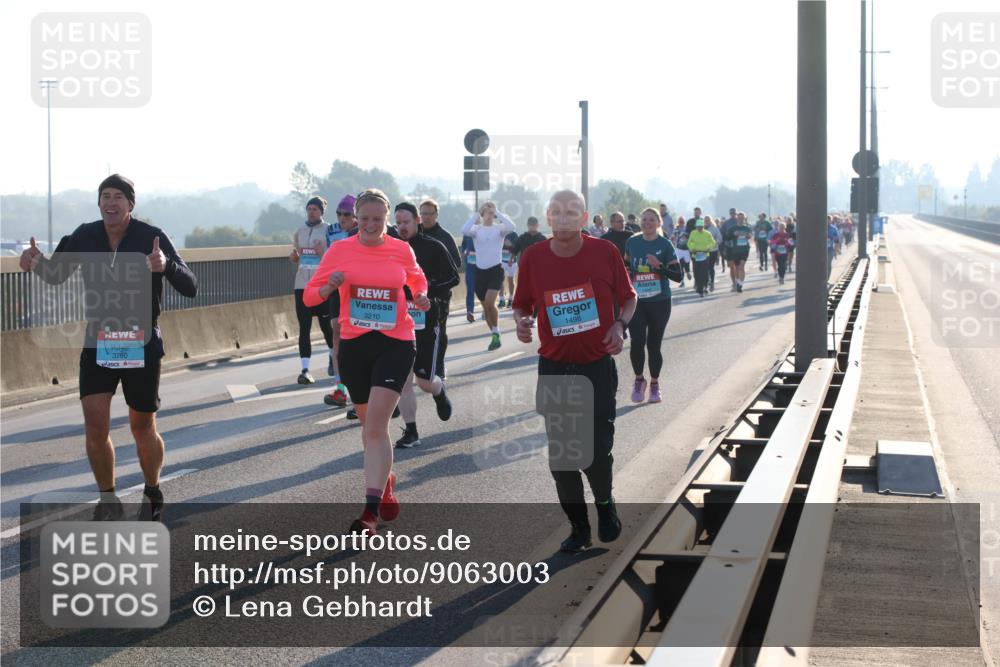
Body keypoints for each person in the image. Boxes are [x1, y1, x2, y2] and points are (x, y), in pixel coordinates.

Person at [19, 174, 198, 521]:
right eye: (105, 196)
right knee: (95, 426)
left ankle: (152, 489)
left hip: (141, 344)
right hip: (99, 342)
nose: (110, 203)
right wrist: (35, 262)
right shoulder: (84, 235)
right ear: (99, 203)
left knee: (142, 426)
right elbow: (56, 274)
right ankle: (107, 499)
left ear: (130, 204)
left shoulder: (151, 237)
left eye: (118, 196)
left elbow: (190, 286)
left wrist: (166, 266)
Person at [513, 189, 636, 553]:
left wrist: (619, 326)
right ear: (548, 217)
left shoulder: (605, 252)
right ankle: (579, 528)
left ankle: (605, 505)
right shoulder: (533, 257)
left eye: (571, 212)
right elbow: (521, 304)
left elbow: (629, 297)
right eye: (556, 211)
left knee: (595, 452)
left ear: (583, 218)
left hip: (596, 366)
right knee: (563, 458)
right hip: (555, 368)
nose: (563, 217)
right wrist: (522, 322)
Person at [303, 189, 430, 535]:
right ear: (355, 219)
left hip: (396, 342)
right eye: (364, 219)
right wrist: (329, 287)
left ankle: (369, 513)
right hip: (355, 346)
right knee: (369, 428)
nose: (371, 225)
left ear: (387, 219)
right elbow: (311, 296)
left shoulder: (400, 249)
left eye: (378, 219)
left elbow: (417, 279)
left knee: (375, 426)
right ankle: (384, 483)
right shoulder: (339, 251)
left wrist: (420, 296)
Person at [392, 202, 459, 448]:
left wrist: (429, 292)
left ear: (417, 221)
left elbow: (454, 277)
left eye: (406, 222)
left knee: (424, 382)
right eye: (398, 223)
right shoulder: (390, 248)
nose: (402, 227)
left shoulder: (434, 246)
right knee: (403, 380)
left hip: (427, 320)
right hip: (398, 322)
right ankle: (411, 431)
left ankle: (439, 392)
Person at [624, 208, 679, 404]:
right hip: (637, 302)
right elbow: (626, 266)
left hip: (660, 301)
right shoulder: (632, 242)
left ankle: (655, 384)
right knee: (637, 341)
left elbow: (678, 276)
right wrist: (628, 273)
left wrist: (659, 267)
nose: (647, 223)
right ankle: (639, 380)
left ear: (658, 223)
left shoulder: (665, 244)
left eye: (651, 220)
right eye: (644, 219)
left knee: (654, 345)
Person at [290, 196, 335, 384]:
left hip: (322, 286)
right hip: (302, 285)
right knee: (304, 328)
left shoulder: (329, 230)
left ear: (321, 212)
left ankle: (333, 357)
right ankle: (305, 370)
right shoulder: (299, 231)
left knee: (327, 327)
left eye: (315, 209)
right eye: (309, 209)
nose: (311, 212)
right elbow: (297, 256)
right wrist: (294, 257)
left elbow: (334, 259)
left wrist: (321, 253)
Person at [461, 201, 515, 351]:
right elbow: (464, 229)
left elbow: (512, 226)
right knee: (486, 307)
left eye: (492, 213)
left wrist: (497, 212)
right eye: (487, 212)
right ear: (482, 214)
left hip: (495, 270)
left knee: (491, 303)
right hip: (480, 271)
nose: (489, 215)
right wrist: (477, 213)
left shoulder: (499, 229)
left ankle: (496, 331)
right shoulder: (476, 229)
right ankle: (494, 333)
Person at [417, 198, 462, 375]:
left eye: (430, 214)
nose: (426, 217)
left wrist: (436, 277)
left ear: (436, 215)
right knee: (417, 329)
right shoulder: (414, 234)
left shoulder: (444, 236)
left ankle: (439, 367)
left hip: (439, 291)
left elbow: (456, 264)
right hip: (416, 292)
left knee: (439, 330)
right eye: (423, 214)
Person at [324, 194, 359, 408]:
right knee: (337, 335)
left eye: (347, 214)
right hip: (337, 288)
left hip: (357, 290)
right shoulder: (331, 231)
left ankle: (360, 391)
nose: (342, 218)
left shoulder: (364, 230)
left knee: (356, 338)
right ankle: (340, 389)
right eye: (339, 213)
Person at [724, 212, 754, 292]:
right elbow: (727, 237)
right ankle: (737, 281)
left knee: (742, 266)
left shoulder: (747, 228)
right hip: (735, 250)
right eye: (739, 218)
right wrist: (733, 235)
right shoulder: (733, 228)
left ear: (744, 218)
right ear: (737, 218)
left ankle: (740, 284)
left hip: (745, 249)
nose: (740, 219)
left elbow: (750, 236)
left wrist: (749, 236)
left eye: (742, 218)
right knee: (736, 267)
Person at [687, 218, 717, 297]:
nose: (699, 228)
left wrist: (708, 248)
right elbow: (689, 243)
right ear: (696, 227)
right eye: (698, 227)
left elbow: (713, 242)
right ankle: (698, 286)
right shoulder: (693, 233)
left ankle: (704, 287)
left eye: (701, 227)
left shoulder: (707, 233)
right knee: (696, 272)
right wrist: (692, 249)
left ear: (703, 226)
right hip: (695, 255)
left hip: (705, 255)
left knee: (704, 272)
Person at [499, 229, 519, 308]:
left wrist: (510, 244)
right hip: (501, 261)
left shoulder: (514, 234)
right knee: (500, 280)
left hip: (511, 261)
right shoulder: (500, 232)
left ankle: (511, 299)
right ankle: (501, 299)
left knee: (511, 280)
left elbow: (517, 248)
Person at [461, 234, 477, 322]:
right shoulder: (467, 232)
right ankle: (470, 312)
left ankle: (487, 310)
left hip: (484, 266)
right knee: (470, 290)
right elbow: (464, 245)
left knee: (484, 290)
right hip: (470, 266)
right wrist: (463, 252)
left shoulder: (485, 230)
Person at [705, 216, 723, 292]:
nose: (706, 222)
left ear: (711, 221)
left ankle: (712, 282)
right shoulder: (701, 229)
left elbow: (720, 238)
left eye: (708, 220)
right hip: (704, 251)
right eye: (705, 220)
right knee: (704, 267)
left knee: (711, 267)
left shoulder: (714, 229)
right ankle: (706, 282)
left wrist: (715, 242)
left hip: (713, 250)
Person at [673, 218, 691, 287]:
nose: (681, 223)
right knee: (680, 266)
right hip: (679, 249)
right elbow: (674, 238)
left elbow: (689, 237)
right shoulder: (676, 229)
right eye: (680, 222)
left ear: (684, 222)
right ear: (678, 222)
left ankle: (688, 272)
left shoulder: (687, 229)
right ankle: (682, 281)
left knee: (687, 264)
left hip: (686, 249)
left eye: (682, 221)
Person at [826, 215, 841, 281]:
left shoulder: (834, 229)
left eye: (829, 220)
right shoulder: (819, 227)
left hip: (830, 249)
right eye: (826, 220)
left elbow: (837, 240)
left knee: (828, 263)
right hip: (820, 250)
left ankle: (827, 279)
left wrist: (836, 250)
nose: (827, 222)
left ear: (831, 221)